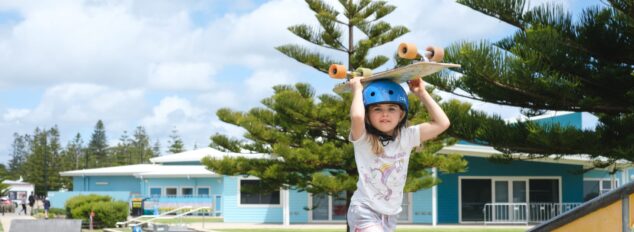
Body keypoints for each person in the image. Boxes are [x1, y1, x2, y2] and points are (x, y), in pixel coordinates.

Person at [346, 78, 450, 232]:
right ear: (368, 114)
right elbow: (356, 117)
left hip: (391, 215)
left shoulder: (407, 137)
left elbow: (443, 123)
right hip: (364, 210)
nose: (385, 114)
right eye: (377, 109)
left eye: (392, 108)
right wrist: (357, 90)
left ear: (401, 114)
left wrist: (422, 93)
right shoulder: (363, 138)